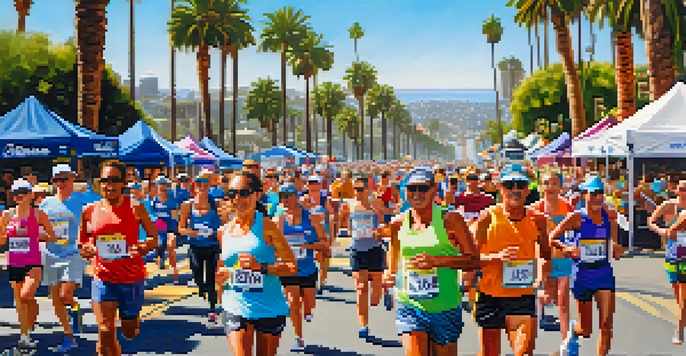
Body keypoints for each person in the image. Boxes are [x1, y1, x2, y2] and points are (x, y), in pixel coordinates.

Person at [384, 167, 478, 355]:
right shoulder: (397, 223)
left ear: (433, 190)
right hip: (410, 304)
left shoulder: (451, 219)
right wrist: (390, 275)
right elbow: (394, 256)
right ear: (405, 191)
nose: (417, 194)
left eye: (423, 189)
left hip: (445, 306)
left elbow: (474, 260)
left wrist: (437, 261)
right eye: (412, 189)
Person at [78, 160, 158, 356]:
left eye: (114, 180)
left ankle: (130, 321)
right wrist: (85, 249)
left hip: (131, 278)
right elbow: (82, 242)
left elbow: (153, 238)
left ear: (123, 182)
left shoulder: (136, 207)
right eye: (105, 180)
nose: (109, 185)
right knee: (105, 330)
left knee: (129, 332)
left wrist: (144, 246)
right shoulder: (89, 210)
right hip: (103, 277)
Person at [216, 171, 296, 356]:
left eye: (244, 193)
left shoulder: (267, 226)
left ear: (257, 195)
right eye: (232, 194)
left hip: (268, 306)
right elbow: (222, 269)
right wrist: (220, 278)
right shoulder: (223, 231)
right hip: (235, 305)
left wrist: (261, 267)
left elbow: (292, 266)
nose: (238, 199)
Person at [474, 164, 551, 356]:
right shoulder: (487, 218)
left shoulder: (538, 220)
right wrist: (496, 258)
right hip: (490, 296)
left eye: (520, 185)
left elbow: (545, 255)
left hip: (522, 297)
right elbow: (471, 259)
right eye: (509, 185)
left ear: (527, 189)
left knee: (524, 352)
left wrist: (544, 284)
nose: (514, 190)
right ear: (500, 187)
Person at [551, 176, 624, 356]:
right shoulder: (576, 217)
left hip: (603, 272)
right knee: (586, 329)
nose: (598, 198)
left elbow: (615, 242)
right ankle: (573, 334)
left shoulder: (610, 215)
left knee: (606, 325)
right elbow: (552, 237)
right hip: (582, 276)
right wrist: (567, 248)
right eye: (594, 194)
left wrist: (617, 247)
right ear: (585, 195)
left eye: (600, 194)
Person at [39, 165, 95, 351]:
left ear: (73, 179)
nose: (60, 183)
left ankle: (74, 308)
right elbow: (40, 227)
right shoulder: (46, 204)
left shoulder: (82, 202)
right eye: (57, 180)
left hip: (74, 253)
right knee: (56, 299)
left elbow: (94, 223)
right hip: (51, 253)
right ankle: (68, 335)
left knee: (65, 294)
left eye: (64, 179)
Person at [0, 179, 58, 348]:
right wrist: (4, 238)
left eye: (24, 192)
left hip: (33, 261)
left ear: (31, 195)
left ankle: (30, 318)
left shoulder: (39, 214)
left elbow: (52, 236)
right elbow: (1, 238)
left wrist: (37, 237)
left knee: (26, 295)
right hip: (14, 262)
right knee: (20, 300)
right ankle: (25, 335)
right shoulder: (7, 215)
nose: (20, 196)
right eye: (16, 193)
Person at [274, 183, 329, 351]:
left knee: (309, 302)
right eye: (281, 197)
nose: (284, 200)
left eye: (287, 196)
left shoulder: (311, 218)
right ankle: (299, 337)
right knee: (293, 302)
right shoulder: (279, 221)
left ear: (295, 197)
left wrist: (307, 247)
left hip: (308, 269)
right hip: (289, 269)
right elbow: (273, 245)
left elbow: (324, 243)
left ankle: (308, 310)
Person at [531, 172, 574, 336]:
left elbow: (575, 231)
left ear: (560, 187)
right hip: (542, 260)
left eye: (554, 183)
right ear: (541, 186)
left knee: (562, 302)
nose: (550, 187)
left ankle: (566, 342)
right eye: (546, 183)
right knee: (547, 298)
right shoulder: (534, 209)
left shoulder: (567, 208)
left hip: (562, 259)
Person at [178, 173, 222, 325]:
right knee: (197, 275)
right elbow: (181, 229)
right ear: (195, 185)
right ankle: (203, 289)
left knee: (210, 277)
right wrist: (194, 233)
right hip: (195, 246)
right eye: (200, 182)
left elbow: (225, 226)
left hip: (212, 246)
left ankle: (212, 309)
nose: (203, 185)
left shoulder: (217, 203)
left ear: (210, 185)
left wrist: (214, 233)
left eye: (206, 183)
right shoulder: (187, 205)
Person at [346, 176, 387, 337]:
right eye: (355, 189)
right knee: (361, 287)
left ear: (367, 190)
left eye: (361, 189)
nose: (358, 193)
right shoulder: (348, 205)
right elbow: (345, 223)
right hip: (357, 249)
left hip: (374, 248)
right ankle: (364, 325)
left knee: (375, 293)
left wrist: (380, 231)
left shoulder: (375, 203)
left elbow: (383, 222)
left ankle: (382, 292)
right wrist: (351, 232)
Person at [650, 180, 686, 344]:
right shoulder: (668, 206)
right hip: (672, 253)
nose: (684, 192)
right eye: (682, 189)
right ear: (676, 191)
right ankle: (682, 319)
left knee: (683, 293)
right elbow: (651, 221)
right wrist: (662, 231)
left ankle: (679, 330)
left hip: (685, 255)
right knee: (678, 293)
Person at [301, 175, 336, 294]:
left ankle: (322, 280)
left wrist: (331, 236)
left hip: (323, 230)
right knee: (313, 256)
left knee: (323, 257)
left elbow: (330, 216)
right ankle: (312, 280)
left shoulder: (324, 198)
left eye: (316, 183)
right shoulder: (303, 198)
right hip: (309, 232)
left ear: (320, 185)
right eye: (311, 183)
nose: (313, 186)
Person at [152, 176, 179, 281]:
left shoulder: (171, 200)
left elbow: (174, 215)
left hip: (170, 225)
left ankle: (174, 269)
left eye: (164, 185)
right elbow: (152, 212)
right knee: (161, 242)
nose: (162, 187)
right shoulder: (155, 200)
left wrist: (174, 228)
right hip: (159, 225)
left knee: (170, 246)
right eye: (160, 185)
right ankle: (161, 257)